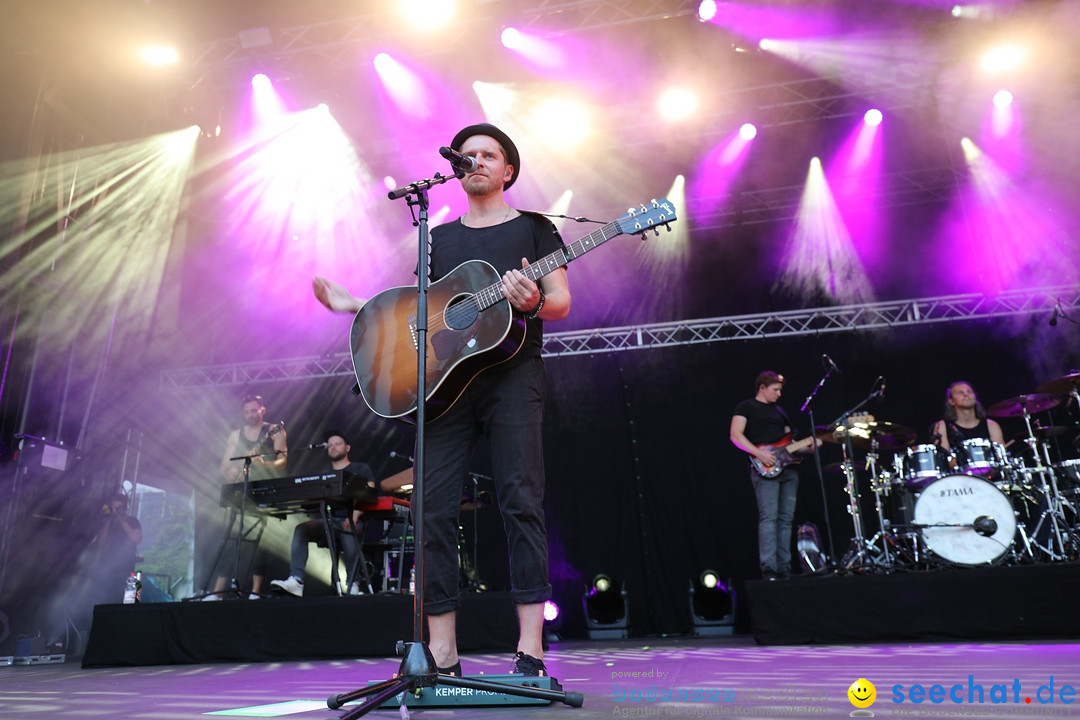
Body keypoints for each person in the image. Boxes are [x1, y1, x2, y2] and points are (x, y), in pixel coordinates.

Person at [312, 122, 570, 677]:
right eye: (468, 154)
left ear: (508, 170)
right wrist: (357, 304)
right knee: (430, 512)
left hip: (512, 375)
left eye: (488, 153)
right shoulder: (441, 237)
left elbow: (561, 301)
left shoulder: (535, 228)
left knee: (520, 501)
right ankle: (444, 653)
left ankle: (530, 650)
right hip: (444, 388)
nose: (475, 159)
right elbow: (421, 316)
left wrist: (531, 301)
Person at [270, 430, 378, 597]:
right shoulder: (324, 474)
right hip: (328, 521)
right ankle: (296, 580)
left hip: (352, 519)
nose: (333, 447)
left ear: (347, 447)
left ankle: (353, 583)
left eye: (338, 444)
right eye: (330, 445)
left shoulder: (360, 468)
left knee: (348, 529)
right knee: (302, 529)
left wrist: (355, 515)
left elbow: (370, 492)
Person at [730, 371, 814, 580]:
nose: (779, 394)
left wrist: (809, 446)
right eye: (775, 390)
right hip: (764, 466)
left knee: (786, 519)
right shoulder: (746, 407)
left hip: (788, 468)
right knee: (769, 518)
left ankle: (784, 567)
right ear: (762, 388)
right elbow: (735, 435)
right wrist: (759, 453)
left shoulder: (780, 412)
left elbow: (789, 444)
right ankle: (769, 567)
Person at [207, 394, 288, 600]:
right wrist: (231, 472)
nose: (250, 415)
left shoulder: (274, 431)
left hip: (264, 491)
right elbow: (224, 464)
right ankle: (217, 592)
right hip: (240, 491)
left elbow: (282, 461)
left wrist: (263, 465)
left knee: (259, 541)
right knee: (231, 538)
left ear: (263, 410)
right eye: (247, 412)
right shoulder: (236, 435)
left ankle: (255, 592)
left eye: (254, 410)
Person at [91, 493, 143, 603]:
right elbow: (100, 542)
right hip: (107, 569)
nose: (114, 511)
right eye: (112, 508)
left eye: (118, 508)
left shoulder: (132, 521)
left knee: (129, 602)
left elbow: (137, 539)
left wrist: (123, 521)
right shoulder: (106, 523)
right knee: (105, 601)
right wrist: (109, 521)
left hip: (127, 570)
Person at [931, 381, 1005, 451]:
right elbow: (945, 459)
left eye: (969, 391)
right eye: (960, 392)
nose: (966, 394)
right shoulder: (942, 426)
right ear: (951, 401)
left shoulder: (991, 426)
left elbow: (1000, 458)